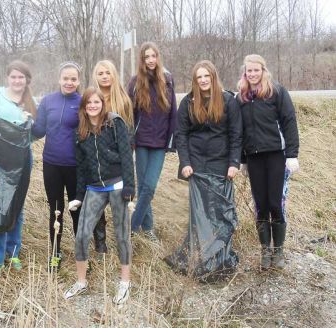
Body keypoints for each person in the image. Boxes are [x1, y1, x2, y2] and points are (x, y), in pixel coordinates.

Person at [166, 60, 242, 279]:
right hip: (197, 166)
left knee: (221, 213)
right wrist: (185, 163)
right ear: (195, 80)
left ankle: (220, 261)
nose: (203, 80)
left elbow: (236, 134)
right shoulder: (187, 103)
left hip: (222, 165)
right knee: (200, 215)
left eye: (206, 76)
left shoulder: (229, 100)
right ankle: (200, 260)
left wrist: (234, 163)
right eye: (199, 77)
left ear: (213, 76)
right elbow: (181, 135)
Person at [64, 87, 134, 305]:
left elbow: (126, 157)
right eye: (89, 103)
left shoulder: (115, 123)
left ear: (102, 104)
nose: (93, 106)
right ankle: (81, 282)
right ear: (84, 107)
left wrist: (130, 189)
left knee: (122, 235)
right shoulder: (81, 131)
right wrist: (78, 195)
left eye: (97, 102)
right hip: (94, 188)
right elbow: (82, 167)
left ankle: (125, 283)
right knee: (82, 235)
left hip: (117, 186)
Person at [237, 54, 300, 270]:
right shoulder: (242, 97)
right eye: (249, 71)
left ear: (263, 70)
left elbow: (289, 121)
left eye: (256, 70)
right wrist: (242, 160)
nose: (252, 74)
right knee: (260, 205)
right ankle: (265, 250)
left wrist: (292, 154)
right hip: (254, 157)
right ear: (245, 73)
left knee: (275, 203)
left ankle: (278, 250)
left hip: (276, 155)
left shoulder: (277, 92)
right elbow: (240, 131)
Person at [0, 60, 36, 276]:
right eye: (13, 76)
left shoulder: (30, 102)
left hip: (22, 159)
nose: (17, 80)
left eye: (21, 77)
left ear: (27, 80)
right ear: (7, 78)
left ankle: (13, 253)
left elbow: (35, 133)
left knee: (17, 207)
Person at [31, 61, 82, 271]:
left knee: (77, 210)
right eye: (65, 78)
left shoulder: (83, 101)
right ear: (59, 79)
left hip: (76, 166)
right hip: (51, 163)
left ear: (78, 81)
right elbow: (39, 130)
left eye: (73, 79)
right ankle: (55, 253)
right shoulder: (48, 101)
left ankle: (82, 253)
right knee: (56, 210)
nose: (69, 82)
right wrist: (22, 125)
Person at [127, 42, 177, 241]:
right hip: (140, 142)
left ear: (158, 58)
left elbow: (173, 113)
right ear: (142, 60)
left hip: (160, 142)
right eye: (146, 57)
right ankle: (148, 230)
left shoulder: (168, 80)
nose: (150, 60)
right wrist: (130, 139)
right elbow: (129, 114)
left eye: (153, 56)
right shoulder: (134, 82)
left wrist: (172, 141)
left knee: (149, 187)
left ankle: (131, 228)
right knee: (143, 188)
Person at [90, 59, 134, 258]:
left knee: (119, 204)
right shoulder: (91, 99)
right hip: (96, 160)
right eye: (100, 73)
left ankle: (123, 244)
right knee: (97, 204)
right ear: (95, 77)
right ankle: (100, 245)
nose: (105, 76)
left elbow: (129, 133)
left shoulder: (123, 100)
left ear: (114, 75)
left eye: (108, 72)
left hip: (117, 160)